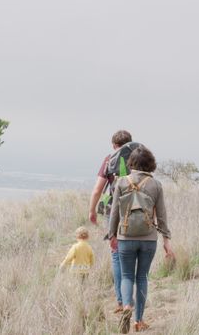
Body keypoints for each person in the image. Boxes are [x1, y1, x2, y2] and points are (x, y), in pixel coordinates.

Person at [109, 146, 174, 333]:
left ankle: (127, 305)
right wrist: (166, 240)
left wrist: (112, 235)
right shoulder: (156, 185)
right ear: (150, 163)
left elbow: (114, 213)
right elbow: (162, 215)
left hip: (125, 237)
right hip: (148, 239)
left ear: (131, 163)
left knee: (127, 276)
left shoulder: (121, 182)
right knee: (142, 277)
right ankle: (138, 321)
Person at [88, 130, 138, 313]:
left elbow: (97, 190)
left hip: (114, 212)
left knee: (117, 255)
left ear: (114, 145)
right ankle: (134, 304)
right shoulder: (139, 158)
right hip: (137, 210)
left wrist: (92, 210)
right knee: (136, 254)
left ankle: (121, 301)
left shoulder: (110, 159)